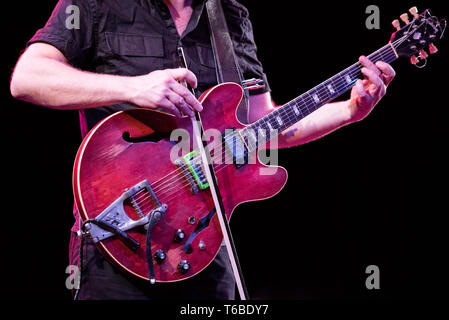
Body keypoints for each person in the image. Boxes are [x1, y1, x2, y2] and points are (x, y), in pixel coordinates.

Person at [9, 0, 395, 300]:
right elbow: (27, 78)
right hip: (117, 234)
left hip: (201, 242)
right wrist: (132, 88)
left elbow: (267, 126)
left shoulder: (229, 16)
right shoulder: (96, 5)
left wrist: (349, 110)